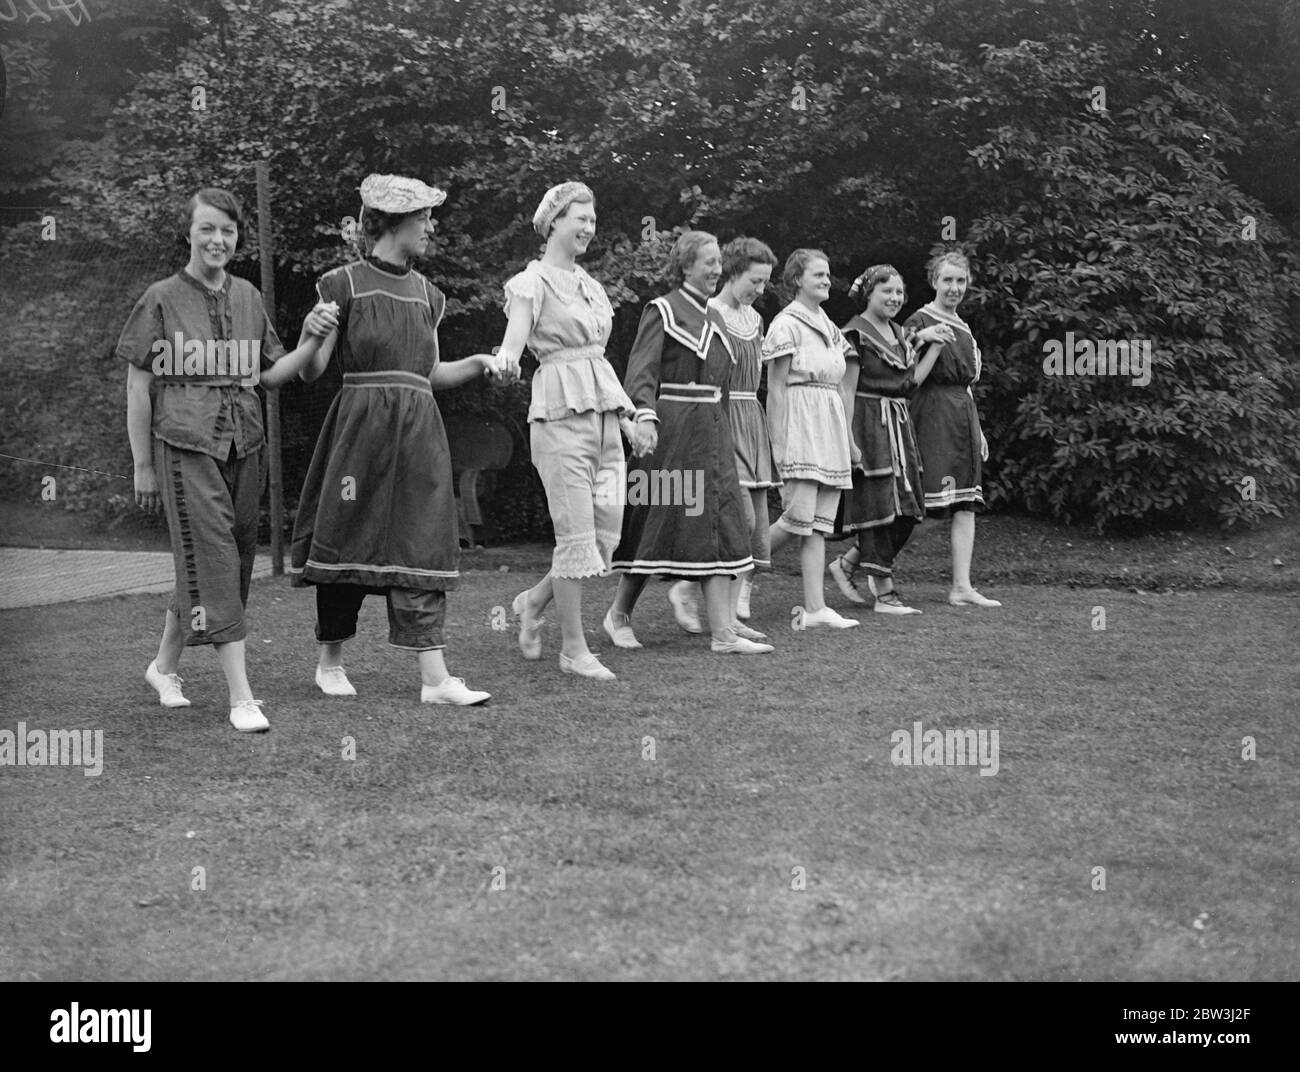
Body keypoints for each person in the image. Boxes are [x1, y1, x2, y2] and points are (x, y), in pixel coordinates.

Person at [121, 186, 338, 732]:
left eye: (228, 231)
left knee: (231, 562)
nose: (218, 240)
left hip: (245, 443)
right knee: (213, 559)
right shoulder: (161, 297)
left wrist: (311, 340)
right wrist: (142, 465)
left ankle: (164, 667)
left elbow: (269, 375)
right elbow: (138, 385)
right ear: (189, 233)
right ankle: (242, 697)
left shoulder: (248, 296)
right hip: (185, 445)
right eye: (207, 229)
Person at [290, 173, 501, 705]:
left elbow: (428, 373)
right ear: (391, 222)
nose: (431, 226)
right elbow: (312, 372)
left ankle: (435, 679)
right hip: (360, 430)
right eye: (423, 217)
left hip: (418, 432)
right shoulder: (341, 285)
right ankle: (330, 662)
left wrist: (477, 363)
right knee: (348, 534)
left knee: (423, 539)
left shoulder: (430, 295)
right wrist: (310, 333)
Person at [488, 181, 635, 681]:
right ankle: (573, 649)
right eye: (581, 219)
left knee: (601, 540)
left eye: (593, 221)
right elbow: (513, 341)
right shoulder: (531, 283)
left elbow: (600, 357)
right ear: (553, 222)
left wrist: (629, 414)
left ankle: (532, 602)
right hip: (558, 416)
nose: (589, 229)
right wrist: (505, 360)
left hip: (604, 416)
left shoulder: (591, 287)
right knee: (574, 538)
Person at [605, 231, 770, 655]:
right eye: (709, 262)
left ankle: (724, 633)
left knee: (720, 523)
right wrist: (643, 417)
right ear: (685, 266)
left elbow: (726, 387)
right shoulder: (661, 309)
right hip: (672, 430)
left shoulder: (717, 318)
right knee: (654, 522)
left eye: (718, 262)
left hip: (714, 431)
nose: (717, 269)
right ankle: (618, 614)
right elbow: (640, 372)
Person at [828, 265, 953, 614]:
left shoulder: (900, 334)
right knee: (880, 508)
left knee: (910, 510)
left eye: (899, 292)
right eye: (887, 291)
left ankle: (849, 564)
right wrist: (848, 440)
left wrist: (934, 349)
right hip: (867, 426)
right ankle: (885, 594)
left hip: (899, 426)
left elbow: (910, 384)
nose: (895, 298)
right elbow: (846, 391)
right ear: (869, 294)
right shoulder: (854, 333)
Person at [762, 249, 861, 629]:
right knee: (797, 516)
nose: (825, 279)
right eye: (818, 274)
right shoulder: (786, 324)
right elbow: (776, 388)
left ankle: (816, 607)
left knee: (818, 522)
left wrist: (848, 440)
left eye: (828, 273)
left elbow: (842, 381)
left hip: (828, 421)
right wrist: (779, 442)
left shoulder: (829, 326)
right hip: (801, 420)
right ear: (797, 280)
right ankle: (733, 574)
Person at [903, 251, 1001, 607]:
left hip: (963, 416)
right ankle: (862, 559)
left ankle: (962, 586)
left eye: (960, 281)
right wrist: (919, 336)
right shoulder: (920, 318)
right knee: (928, 505)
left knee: (965, 503)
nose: (954, 288)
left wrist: (980, 431)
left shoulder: (965, 327)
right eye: (947, 280)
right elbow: (897, 362)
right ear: (934, 282)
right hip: (931, 413)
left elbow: (968, 385)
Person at [707, 236, 779, 632]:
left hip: (750, 414)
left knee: (755, 528)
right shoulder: (710, 313)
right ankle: (690, 590)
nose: (760, 290)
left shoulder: (756, 320)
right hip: (721, 416)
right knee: (741, 517)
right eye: (755, 280)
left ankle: (732, 616)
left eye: (765, 282)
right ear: (733, 273)